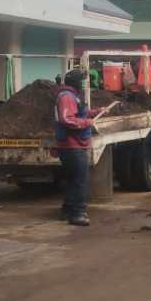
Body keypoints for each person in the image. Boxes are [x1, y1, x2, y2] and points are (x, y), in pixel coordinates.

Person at [54, 69, 103, 226]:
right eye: (82, 81)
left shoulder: (70, 95)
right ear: (75, 82)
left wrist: (94, 112)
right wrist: (87, 123)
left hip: (70, 146)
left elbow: (78, 112)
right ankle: (78, 213)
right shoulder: (67, 97)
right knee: (80, 180)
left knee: (72, 180)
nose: (84, 84)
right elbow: (67, 119)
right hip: (72, 146)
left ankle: (67, 210)